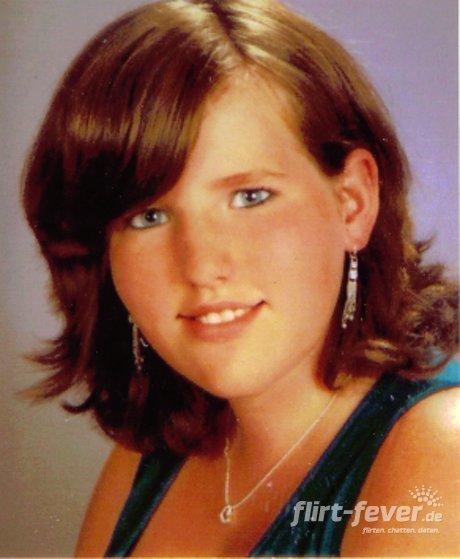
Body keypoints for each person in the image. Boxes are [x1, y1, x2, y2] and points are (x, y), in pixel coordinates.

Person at [22, 0, 459, 556]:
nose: (202, 267)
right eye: (148, 216)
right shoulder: (146, 461)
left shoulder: (442, 452)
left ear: (352, 202)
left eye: (251, 197)